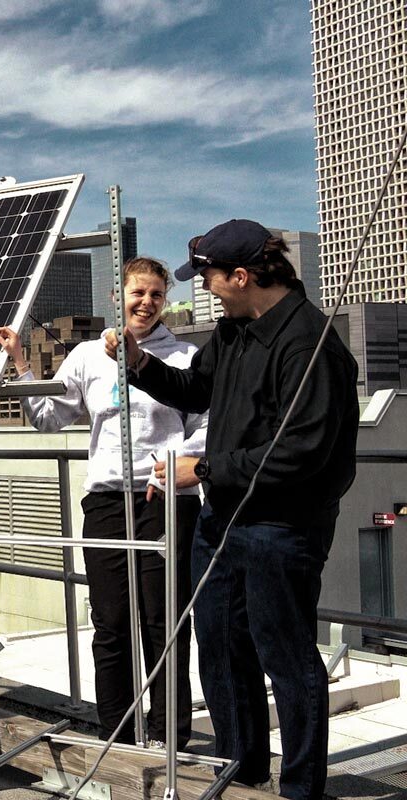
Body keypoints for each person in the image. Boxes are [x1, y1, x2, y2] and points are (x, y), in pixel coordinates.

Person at [108, 219, 358, 800]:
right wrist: (140, 363)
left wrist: (206, 469)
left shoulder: (309, 344)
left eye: (211, 278)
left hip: (282, 526)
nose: (207, 288)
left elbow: (303, 452)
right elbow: (197, 390)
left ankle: (300, 789)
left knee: (286, 657)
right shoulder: (234, 332)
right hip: (223, 522)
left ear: (241, 276)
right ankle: (242, 772)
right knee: (219, 646)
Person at [0, 257, 204, 748]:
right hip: (107, 503)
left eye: (156, 294)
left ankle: (169, 735)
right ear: (119, 297)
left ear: (165, 300)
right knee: (111, 624)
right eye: (138, 293)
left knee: (165, 623)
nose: (147, 303)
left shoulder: (185, 357)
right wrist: (22, 364)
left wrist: (180, 463)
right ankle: (118, 734)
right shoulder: (89, 356)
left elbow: (205, 424)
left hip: (165, 503)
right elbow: (48, 419)